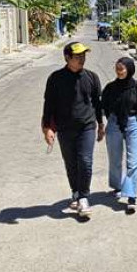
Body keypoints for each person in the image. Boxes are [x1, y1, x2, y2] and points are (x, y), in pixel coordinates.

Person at [42, 42, 104, 218]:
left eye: (83, 56)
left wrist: (100, 124)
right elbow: (49, 105)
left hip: (87, 127)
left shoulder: (92, 77)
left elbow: (97, 104)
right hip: (65, 128)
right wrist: (47, 128)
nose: (82, 59)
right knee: (71, 164)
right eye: (77, 57)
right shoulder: (55, 78)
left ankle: (84, 197)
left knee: (85, 161)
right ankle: (75, 192)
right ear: (67, 58)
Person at [101, 57, 137, 214]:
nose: (119, 71)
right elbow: (104, 106)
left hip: (133, 123)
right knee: (115, 159)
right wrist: (107, 122)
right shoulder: (110, 87)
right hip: (114, 123)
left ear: (129, 69)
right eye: (117, 68)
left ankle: (131, 195)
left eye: (122, 68)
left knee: (133, 161)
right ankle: (117, 186)